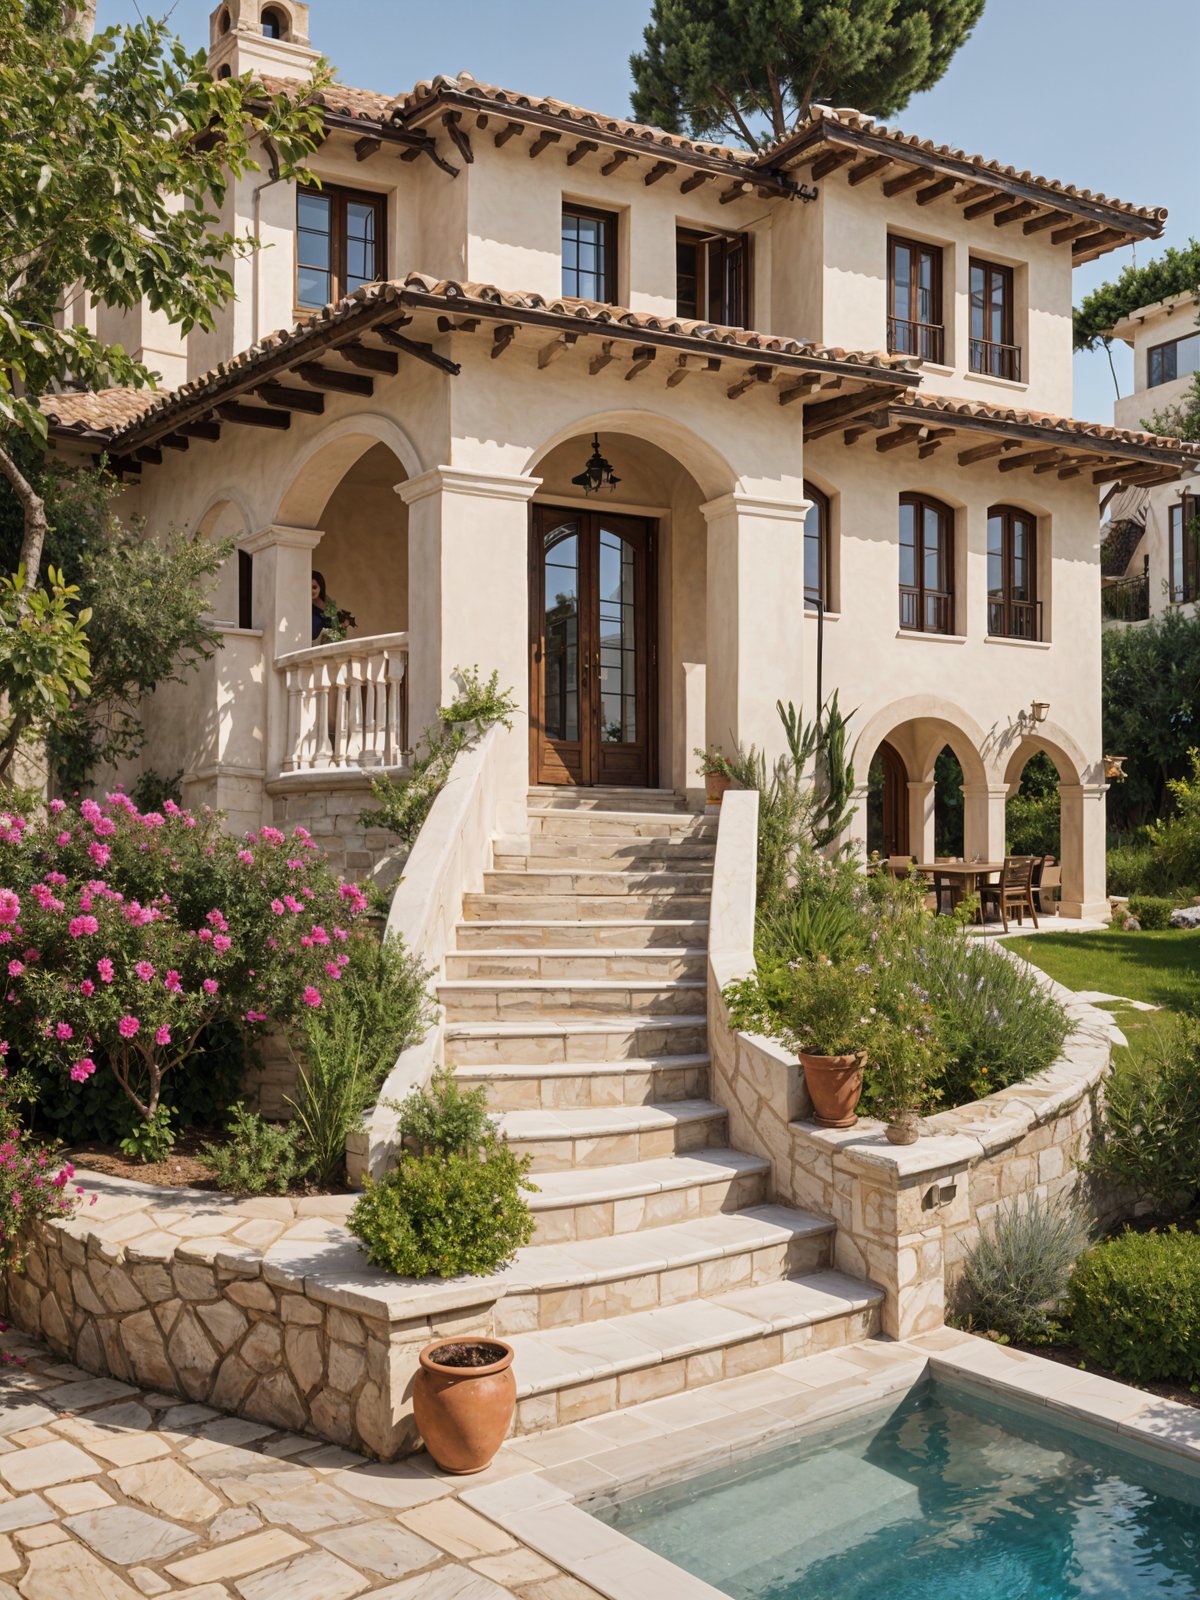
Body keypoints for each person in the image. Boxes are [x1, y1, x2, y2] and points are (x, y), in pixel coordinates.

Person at [311, 571, 356, 642]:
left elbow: (339, 632)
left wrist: (343, 626)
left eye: (314, 587)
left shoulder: (328, 605)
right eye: (309, 587)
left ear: (320, 587)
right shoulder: (304, 605)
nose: (312, 591)